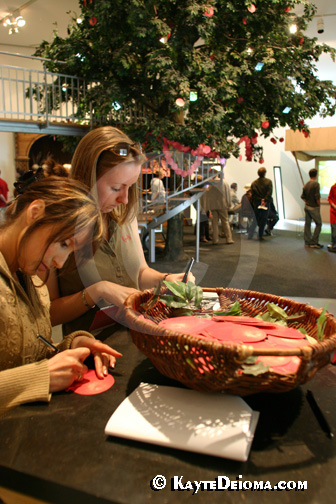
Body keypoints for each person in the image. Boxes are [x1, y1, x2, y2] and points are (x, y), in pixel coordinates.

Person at [45, 126, 195, 335]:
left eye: (130, 186)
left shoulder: (124, 210)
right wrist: (96, 292)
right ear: (86, 177)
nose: (124, 199)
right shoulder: (56, 225)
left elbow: (140, 273)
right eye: (116, 188)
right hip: (89, 349)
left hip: (137, 333)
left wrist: (166, 279)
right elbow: (48, 314)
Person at [0, 175, 122, 416]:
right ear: (35, 212)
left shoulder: (30, 277)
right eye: (64, 244)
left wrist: (71, 346)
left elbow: (24, 350)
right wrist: (39, 377)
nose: (59, 262)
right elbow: (27, 371)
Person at [202, 171, 234, 245]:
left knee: (214, 223)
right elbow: (227, 194)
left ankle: (215, 239)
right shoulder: (224, 182)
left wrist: (207, 205)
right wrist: (229, 204)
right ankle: (229, 238)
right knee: (225, 221)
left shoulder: (210, 183)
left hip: (213, 205)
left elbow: (207, 195)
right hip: (222, 205)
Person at [248, 167, 273, 241]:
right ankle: (260, 235)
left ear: (258, 174)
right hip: (265, 203)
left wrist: (259, 200)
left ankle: (250, 234)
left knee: (255, 219)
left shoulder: (254, 183)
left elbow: (253, 194)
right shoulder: (269, 182)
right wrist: (264, 200)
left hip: (257, 202)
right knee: (263, 219)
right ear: (265, 173)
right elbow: (269, 193)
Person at [301, 168, 323, 249]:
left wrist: (307, 201)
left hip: (307, 206)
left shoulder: (306, 184)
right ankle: (314, 242)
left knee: (307, 224)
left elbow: (302, 196)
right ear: (316, 175)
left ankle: (307, 242)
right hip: (314, 207)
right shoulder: (316, 184)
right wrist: (319, 205)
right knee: (319, 223)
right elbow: (317, 197)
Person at [328, 181, 336, 253]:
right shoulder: (333, 187)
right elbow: (329, 198)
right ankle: (333, 241)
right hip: (333, 210)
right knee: (333, 227)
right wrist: (333, 205)